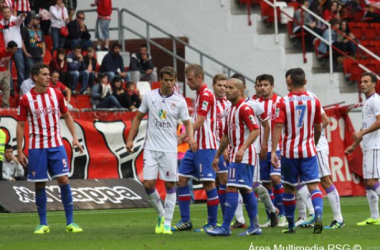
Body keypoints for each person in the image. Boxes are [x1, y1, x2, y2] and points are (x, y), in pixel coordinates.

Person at [127, 66, 196, 235]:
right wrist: (130, 139)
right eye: (165, 80)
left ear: (174, 81)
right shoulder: (150, 97)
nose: (168, 83)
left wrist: (191, 137)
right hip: (150, 147)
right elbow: (137, 118)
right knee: (148, 184)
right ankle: (160, 213)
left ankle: (167, 224)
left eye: (171, 80)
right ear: (161, 80)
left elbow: (188, 123)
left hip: (169, 149)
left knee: (170, 184)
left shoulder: (179, 101)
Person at [16, 63, 83, 234]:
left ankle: (70, 223)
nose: (48, 77)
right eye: (45, 74)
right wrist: (19, 150)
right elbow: (21, 124)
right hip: (37, 148)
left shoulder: (57, 94)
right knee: (40, 184)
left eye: (49, 74)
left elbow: (67, 115)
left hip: (56, 145)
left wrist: (75, 137)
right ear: (35, 77)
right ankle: (43, 223)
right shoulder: (26, 99)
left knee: (64, 180)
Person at [271, 68, 324, 234]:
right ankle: (318, 214)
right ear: (305, 82)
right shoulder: (314, 100)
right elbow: (318, 127)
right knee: (313, 186)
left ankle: (291, 225)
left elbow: (278, 126)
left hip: (289, 152)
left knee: (289, 188)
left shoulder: (283, 101)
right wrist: (313, 144)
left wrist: (273, 151)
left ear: (289, 83)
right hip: (308, 150)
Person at [206, 78, 261, 237]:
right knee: (245, 189)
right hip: (235, 155)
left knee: (231, 187)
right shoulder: (229, 110)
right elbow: (225, 136)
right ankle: (255, 226)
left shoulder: (245, 108)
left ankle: (224, 227)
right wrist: (217, 156)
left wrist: (242, 148)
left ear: (240, 90)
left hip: (243, 156)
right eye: (226, 87)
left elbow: (255, 130)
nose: (226, 90)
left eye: (230, 88)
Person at [172, 64, 219, 232]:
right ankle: (186, 221)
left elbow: (199, 122)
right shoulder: (199, 95)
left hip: (205, 146)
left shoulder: (206, 95)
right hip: (195, 147)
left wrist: (182, 137)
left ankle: (213, 223)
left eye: (190, 79)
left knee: (208, 184)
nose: (188, 83)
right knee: (182, 179)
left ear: (199, 78)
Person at [345, 72, 380, 226]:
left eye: (366, 81)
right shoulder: (367, 102)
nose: (362, 84)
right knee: (367, 181)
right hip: (368, 146)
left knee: (373, 180)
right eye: (361, 81)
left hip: (375, 146)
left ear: (373, 84)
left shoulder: (375, 101)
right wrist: (354, 145)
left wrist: (362, 133)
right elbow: (366, 125)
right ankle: (374, 216)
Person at [257, 74, 287, 227]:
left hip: (277, 148)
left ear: (272, 86)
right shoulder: (255, 103)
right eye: (260, 85)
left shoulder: (280, 102)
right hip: (260, 149)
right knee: (266, 184)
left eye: (266, 85)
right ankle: (271, 216)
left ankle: (283, 215)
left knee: (276, 179)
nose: (263, 88)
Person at [212, 74, 229, 219]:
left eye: (225, 86)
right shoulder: (207, 102)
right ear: (213, 86)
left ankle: (228, 217)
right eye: (220, 85)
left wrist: (225, 148)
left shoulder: (229, 104)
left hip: (224, 148)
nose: (223, 88)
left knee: (224, 179)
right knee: (213, 181)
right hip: (209, 146)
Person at [1, 7, 26, 91]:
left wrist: (22, 16)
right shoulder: (0, 23)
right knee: (8, 70)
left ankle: (21, 87)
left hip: (17, 48)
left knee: (20, 68)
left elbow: (20, 19)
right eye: (5, 12)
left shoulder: (15, 19)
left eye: (8, 12)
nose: (7, 13)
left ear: (10, 12)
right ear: (2, 13)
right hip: (6, 49)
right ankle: (10, 87)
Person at [22, 14, 45, 79]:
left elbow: (43, 42)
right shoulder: (25, 29)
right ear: (32, 19)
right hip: (30, 55)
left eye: (39, 20)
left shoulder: (40, 30)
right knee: (30, 72)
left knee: (40, 73)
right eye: (37, 19)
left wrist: (44, 53)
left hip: (39, 55)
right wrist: (26, 53)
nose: (38, 21)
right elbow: (22, 42)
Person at [0, 41, 18, 108]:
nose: (15, 51)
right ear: (9, 48)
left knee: (7, 87)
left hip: (5, 70)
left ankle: (5, 104)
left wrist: (8, 70)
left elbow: (8, 60)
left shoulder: (11, 53)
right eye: (14, 49)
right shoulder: (1, 51)